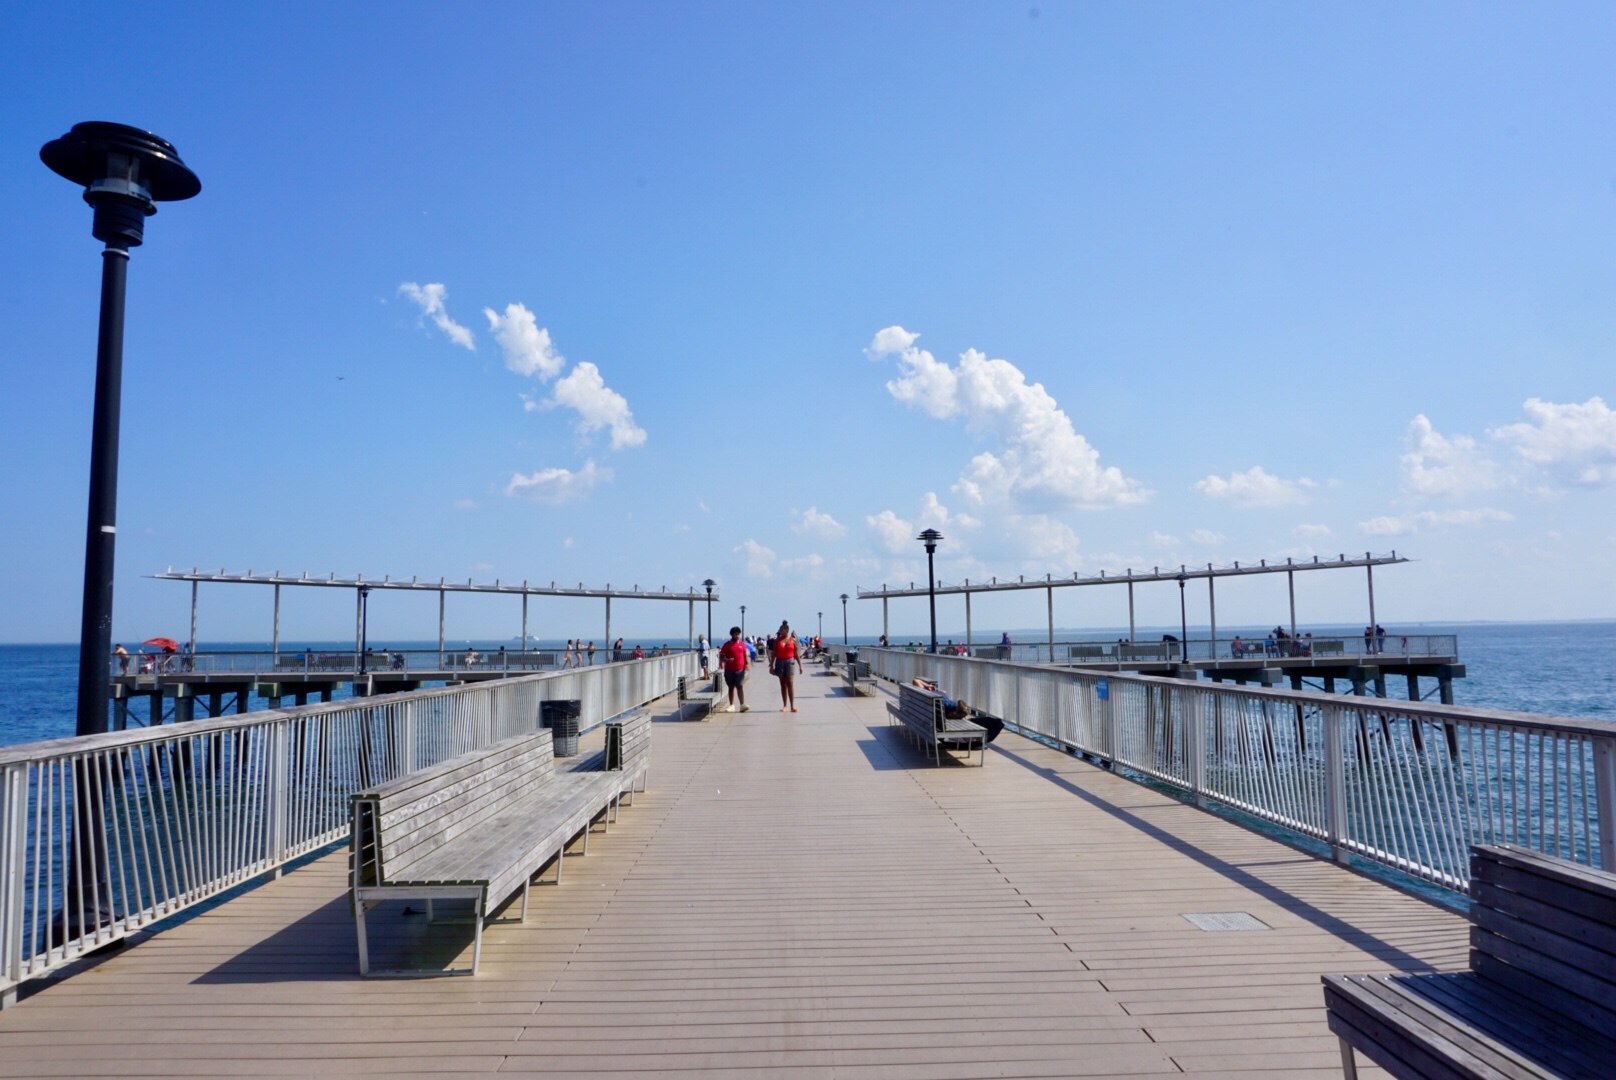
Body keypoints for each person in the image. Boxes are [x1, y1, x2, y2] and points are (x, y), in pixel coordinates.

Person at [718, 626, 750, 712]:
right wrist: (727, 660)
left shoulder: (742, 644)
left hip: (740, 669)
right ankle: (732, 705)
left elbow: (745, 655)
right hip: (729, 669)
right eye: (735, 634)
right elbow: (721, 656)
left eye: (738, 634)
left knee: (739, 686)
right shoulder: (727, 645)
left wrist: (747, 664)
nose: (737, 636)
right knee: (731, 687)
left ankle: (742, 705)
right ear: (732, 634)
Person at [774, 621, 802, 712]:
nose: (780, 631)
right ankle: (785, 705)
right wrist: (771, 665)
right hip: (780, 662)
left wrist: (800, 665)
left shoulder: (792, 641)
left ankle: (792, 706)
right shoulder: (777, 641)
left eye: (781, 630)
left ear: (786, 631)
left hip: (790, 662)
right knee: (783, 684)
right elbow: (774, 653)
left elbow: (796, 654)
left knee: (790, 683)